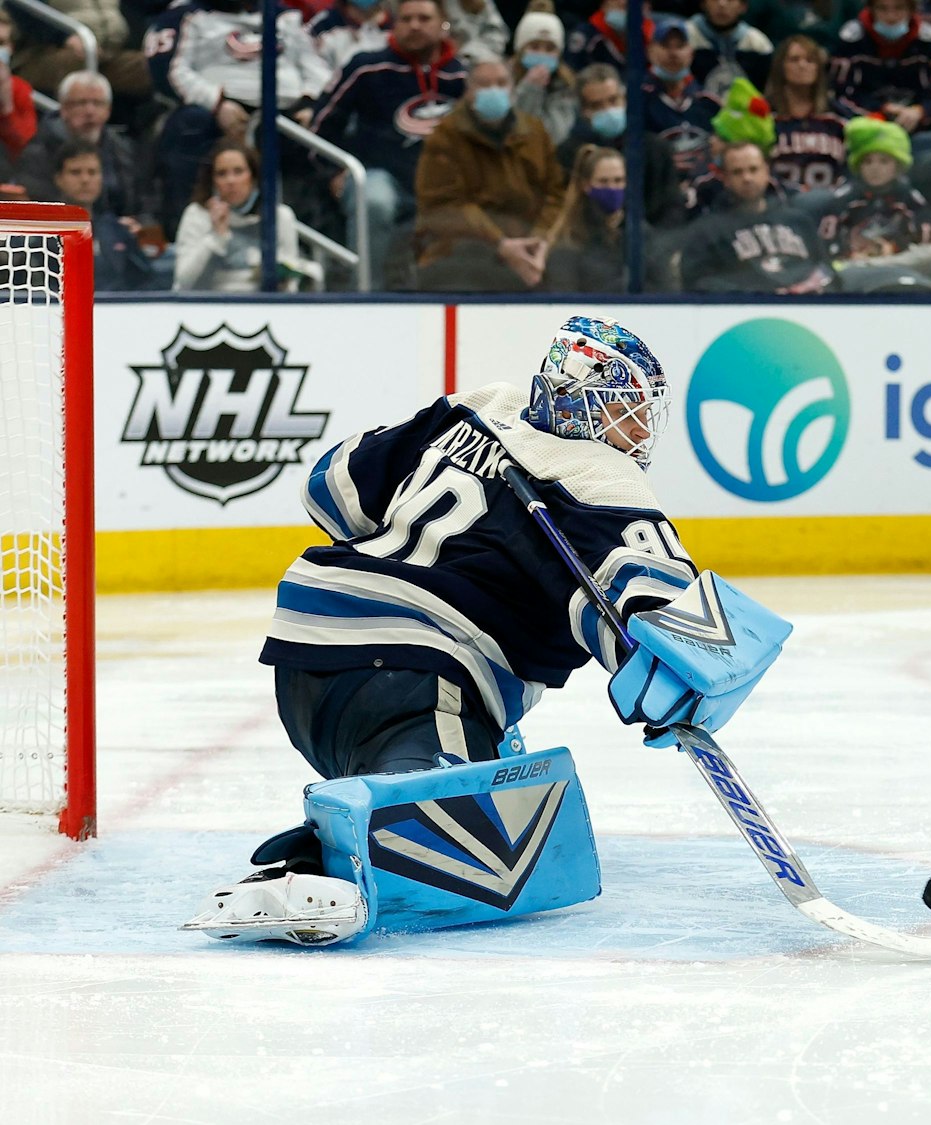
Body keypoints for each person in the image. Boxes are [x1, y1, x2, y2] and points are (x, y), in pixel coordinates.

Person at [184, 316, 694, 945]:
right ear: (583, 403)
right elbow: (657, 611)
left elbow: (330, 491)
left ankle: (383, 800)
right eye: (627, 410)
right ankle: (320, 864)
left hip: (306, 656)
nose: (640, 430)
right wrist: (687, 686)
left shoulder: (474, 408)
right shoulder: (601, 479)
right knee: (483, 840)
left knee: (492, 763)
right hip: (416, 672)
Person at [311, 0, 466, 290]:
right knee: (375, 201)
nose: (415, 25)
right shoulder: (366, 66)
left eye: (424, 18)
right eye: (407, 19)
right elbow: (321, 124)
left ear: (443, 22)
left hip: (444, 185)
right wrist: (332, 170)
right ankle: (367, 296)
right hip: (378, 176)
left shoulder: (461, 77)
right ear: (395, 23)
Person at [159, 0, 333, 238]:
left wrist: (310, 102)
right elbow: (178, 71)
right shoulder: (196, 19)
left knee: (315, 136)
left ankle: (300, 239)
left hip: (286, 110)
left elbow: (318, 70)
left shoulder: (286, 19)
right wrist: (216, 102)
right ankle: (184, 233)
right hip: (224, 106)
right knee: (187, 125)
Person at [412, 48, 565, 292]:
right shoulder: (445, 137)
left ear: (513, 88)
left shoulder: (534, 132)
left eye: (501, 83)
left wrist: (541, 241)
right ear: (469, 90)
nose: (494, 90)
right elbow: (442, 205)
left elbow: (555, 194)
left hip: (532, 247)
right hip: (464, 250)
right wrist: (501, 243)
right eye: (484, 84)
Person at [676, 139, 833, 291]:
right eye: (737, 172)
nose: (747, 178)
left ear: (766, 171)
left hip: (805, 309)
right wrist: (756, 294)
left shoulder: (799, 221)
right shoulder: (706, 231)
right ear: (724, 178)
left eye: (753, 169)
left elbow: (826, 272)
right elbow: (697, 285)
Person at [555, 63, 687, 229]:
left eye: (613, 100)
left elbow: (672, 208)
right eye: (596, 105)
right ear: (583, 111)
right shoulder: (569, 155)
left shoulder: (655, 149)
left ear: (624, 99)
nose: (608, 110)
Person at [821, 115, 931, 280]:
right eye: (868, 162)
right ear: (858, 166)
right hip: (855, 265)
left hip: (898, 262)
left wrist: (891, 250)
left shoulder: (911, 198)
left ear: (898, 165)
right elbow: (827, 242)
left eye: (884, 161)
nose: (875, 168)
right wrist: (850, 255)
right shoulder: (843, 198)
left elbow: (926, 242)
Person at [172, 139, 307, 292]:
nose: (231, 181)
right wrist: (216, 237)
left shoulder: (280, 216)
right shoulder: (197, 214)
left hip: (262, 307)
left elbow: (292, 282)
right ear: (213, 182)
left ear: (253, 178)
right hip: (209, 307)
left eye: (238, 171)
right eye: (221, 174)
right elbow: (183, 281)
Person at [16, 72, 150, 222]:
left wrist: (139, 223)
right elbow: (37, 197)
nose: (90, 112)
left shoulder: (124, 147)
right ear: (64, 109)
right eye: (81, 103)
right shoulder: (39, 149)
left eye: (98, 103)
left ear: (108, 110)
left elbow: (145, 197)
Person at [544, 145, 673, 290]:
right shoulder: (569, 239)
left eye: (618, 181)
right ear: (586, 185)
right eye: (603, 182)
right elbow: (563, 294)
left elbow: (665, 285)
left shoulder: (641, 234)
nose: (612, 188)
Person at [828, 0, 931, 132]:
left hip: (917, 117)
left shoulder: (930, 41)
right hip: (866, 116)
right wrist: (881, 109)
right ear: (871, 10)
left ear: (911, 10)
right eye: (882, 9)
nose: (890, 16)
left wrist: (920, 111)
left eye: (899, 8)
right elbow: (841, 93)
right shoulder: (851, 40)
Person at [49, 141, 157, 291]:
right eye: (75, 172)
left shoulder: (119, 231)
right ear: (59, 179)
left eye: (92, 172)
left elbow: (146, 282)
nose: (85, 180)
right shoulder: (43, 235)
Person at [684, 77, 786, 219]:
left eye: (722, 137)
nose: (712, 141)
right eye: (737, 172)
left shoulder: (774, 188)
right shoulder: (702, 184)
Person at [7, 1, 150, 100]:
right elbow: (22, 9)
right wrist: (65, 37)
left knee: (148, 66)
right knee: (78, 62)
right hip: (46, 53)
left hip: (109, 53)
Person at [642, 18, 725, 176]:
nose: (673, 53)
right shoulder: (638, 103)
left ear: (691, 53)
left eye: (680, 46)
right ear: (650, 51)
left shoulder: (710, 104)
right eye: (665, 46)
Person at [768, 35, 849, 193]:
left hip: (829, 205)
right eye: (794, 60)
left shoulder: (838, 117)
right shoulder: (764, 116)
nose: (802, 65)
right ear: (781, 67)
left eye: (810, 60)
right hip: (777, 205)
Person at [512, 2, 581, 145]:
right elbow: (515, 128)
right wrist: (529, 89)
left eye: (550, 49)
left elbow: (553, 136)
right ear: (521, 49)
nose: (542, 54)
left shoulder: (566, 86)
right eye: (534, 47)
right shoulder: (505, 78)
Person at [688, 0, 776, 94]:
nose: (722, 4)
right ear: (703, 3)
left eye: (730, 0)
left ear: (743, 6)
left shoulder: (757, 45)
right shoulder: (685, 37)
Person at [566, 0, 655, 72]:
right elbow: (570, 70)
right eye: (624, 7)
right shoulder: (587, 34)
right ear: (604, 4)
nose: (624, 2)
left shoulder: (650, 37)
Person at [307, 0, 393, 74]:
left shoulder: (382, 25)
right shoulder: (325, 22)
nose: (368, 14)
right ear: (346, 6)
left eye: (374, 9)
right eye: (361, 10)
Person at [0, 13, 39, 162]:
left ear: (10, 48)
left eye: (1, 42)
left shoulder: (20, 88)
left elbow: (26, 148)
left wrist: (7, 108)